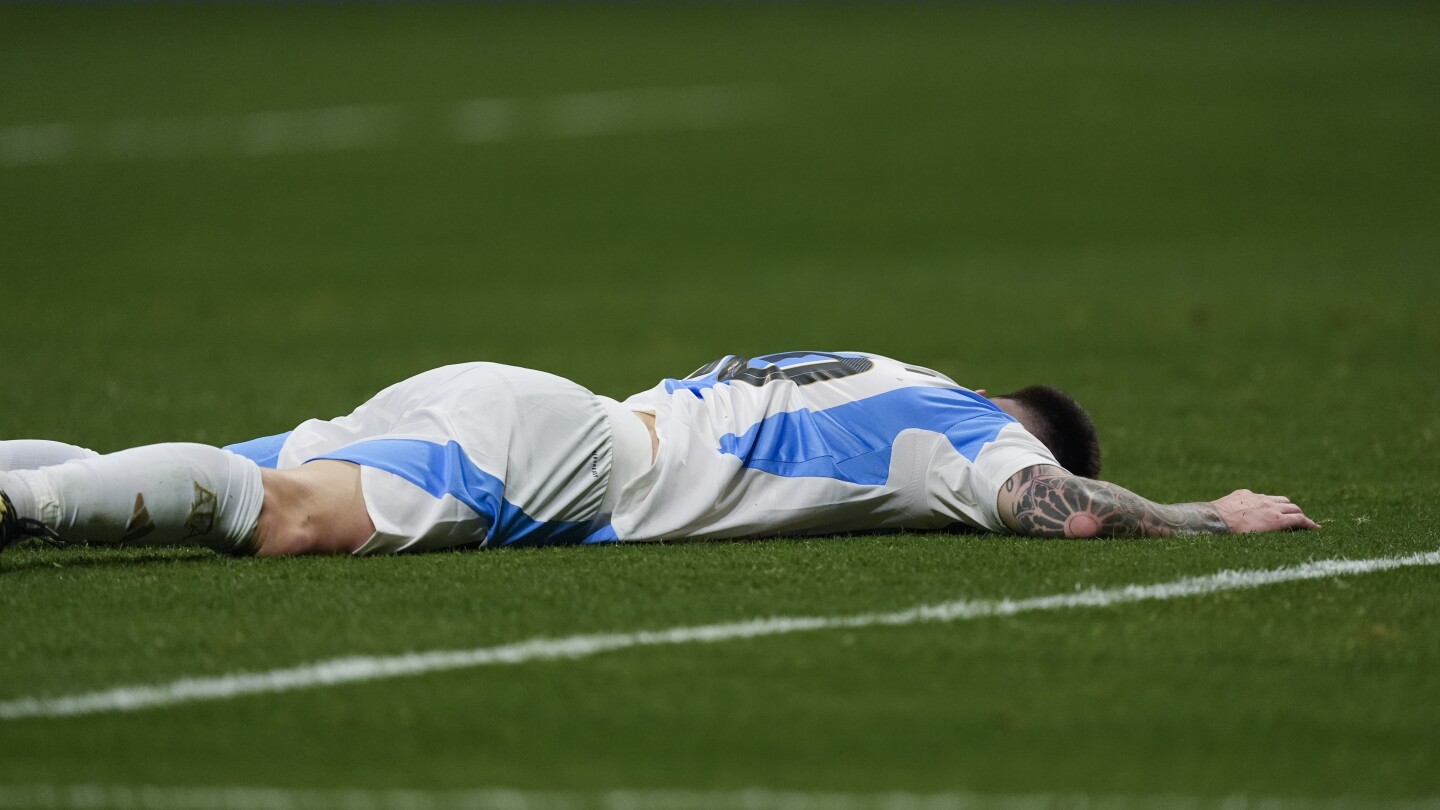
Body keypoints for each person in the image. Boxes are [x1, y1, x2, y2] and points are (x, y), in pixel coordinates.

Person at [0, 351, 1318, 557]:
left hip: (516, 395)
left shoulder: (887, 363)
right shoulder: (966, 431)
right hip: (565, 457)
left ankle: (27, 474)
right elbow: (1061, 506)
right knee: (281, 516)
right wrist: (1202, 513)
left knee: (161, 463)